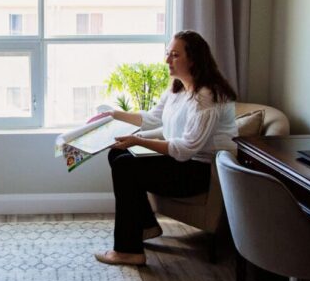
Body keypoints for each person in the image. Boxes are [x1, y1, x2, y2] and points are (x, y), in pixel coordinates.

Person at [92, 30, 238, 266]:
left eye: (175, 55)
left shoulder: (207, 96)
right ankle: (145, 226)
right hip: (182, 163)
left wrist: (138, 141)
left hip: (201, 172)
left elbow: (186, 148)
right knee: (118, 153)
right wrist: (113, 115)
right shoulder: (178, 89)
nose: (167, 60)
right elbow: (152, 119)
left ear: (193, 59)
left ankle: (128, 250)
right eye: (168, 53)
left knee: (126, 166)